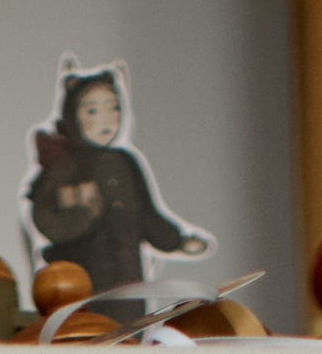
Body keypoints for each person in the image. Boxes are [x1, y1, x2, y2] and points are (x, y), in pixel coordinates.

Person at [25, 63, 212, 318]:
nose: (105, 119)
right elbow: (45, 219)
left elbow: (148, 216)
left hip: (127, 280)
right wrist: (84, 213)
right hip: (80, 282)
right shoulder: (65, 166)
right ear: (73, 114)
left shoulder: (127, 162)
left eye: (113, 108)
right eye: (92, 110)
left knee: (128, 334)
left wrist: (176, 240)